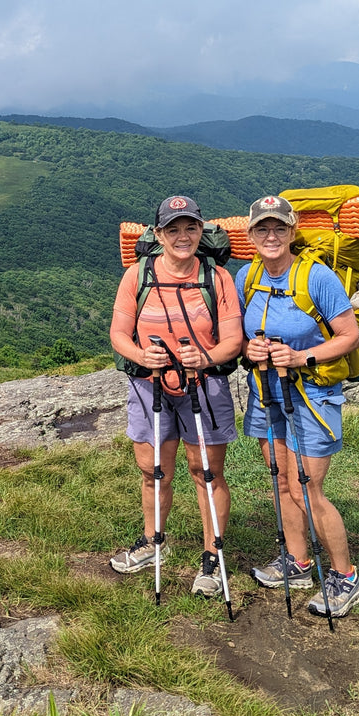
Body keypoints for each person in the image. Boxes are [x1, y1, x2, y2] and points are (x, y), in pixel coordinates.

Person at [236, 194, 359, 618]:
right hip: (266, 391)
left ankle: (346, 578)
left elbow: (349, 337)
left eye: (279, 228)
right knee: (280, 480)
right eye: (262, 229)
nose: (270, 236)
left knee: (307, 488)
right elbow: (237, 333)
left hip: (312, 394)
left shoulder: (317, 277)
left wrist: (301, 357)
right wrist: (249, 349)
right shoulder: (248, 276)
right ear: (251, 234)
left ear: (293, 231)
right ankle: (298, 562)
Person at [108, 195, 244, 597]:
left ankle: (212, 555)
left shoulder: (216, 278)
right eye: (173, 229)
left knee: (206, 471)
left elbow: (233, 340)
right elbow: (118, 333)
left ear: (201, 231)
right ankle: (153, 543)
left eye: (190, 228)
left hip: (204, 386)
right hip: (149, 386)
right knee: (153, 470)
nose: (182, 236)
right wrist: (140, 355)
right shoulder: (137, 275)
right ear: (159, 234)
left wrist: (204, 357)